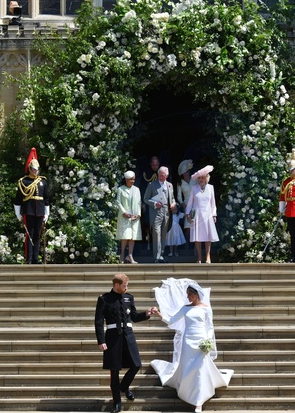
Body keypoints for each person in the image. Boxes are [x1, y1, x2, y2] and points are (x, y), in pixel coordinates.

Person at [151, 278, 233, 413]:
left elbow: (210, 327)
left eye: (189, 294)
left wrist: (208, 342)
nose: (187, 297)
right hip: (188, 342)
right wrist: (159, 314)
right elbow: (171, 321)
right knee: (189, 368)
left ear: (196, 294)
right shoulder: (185, 308)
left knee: (200, 370)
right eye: (187, 294)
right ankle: (188, 391)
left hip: (201, 342)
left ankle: (198, 401)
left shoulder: (206, 308)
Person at [94, 273, 157, 413]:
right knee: (114, 370)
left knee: (136, 365)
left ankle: (123, 387)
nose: (126, 288)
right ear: (116, 285)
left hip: (128, 336)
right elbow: (98, 322)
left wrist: (146, 314)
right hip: (112, 338)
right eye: (124, 286)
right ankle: (117, 402)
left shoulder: (129, 298)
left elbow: (134, 317)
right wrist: (101, 341)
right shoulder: (104, 299)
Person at [13, 148, 50, 264]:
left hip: (40, 211)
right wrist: (18, 213)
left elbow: (46, 199)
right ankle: (28, 258)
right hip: (28, 211)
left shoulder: (43, 182)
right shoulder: (24, 182)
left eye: (37, 169)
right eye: (34, 169)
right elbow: (18, 199)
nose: (36, 171)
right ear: (29, 169)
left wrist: (47, 213)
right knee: (29, 234)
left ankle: (35, 258)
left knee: (37, 235)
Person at [185, 166, 218, 263]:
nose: (200, 180)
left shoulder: (211, 188)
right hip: (197, 215)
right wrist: (187, 214)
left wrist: (214, 215)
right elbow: (190, 203)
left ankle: (208, 256)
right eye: (199, 178)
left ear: (206, 178)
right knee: (197, 237)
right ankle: (199, 256)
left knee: (208, 236)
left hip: (207, 215)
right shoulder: (194, 188)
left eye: (202, 178)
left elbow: (213, 203)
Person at [143, 166, 176, 263]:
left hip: (166, 212)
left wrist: (173, 203)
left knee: (164, 234)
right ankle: (156, 257)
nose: (160, 177)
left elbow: (172, 198)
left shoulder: (170, 185)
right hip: (156, 212)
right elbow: (145, 199)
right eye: (159, 175)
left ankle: (161, 255)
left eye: (163, 175)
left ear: (167, 175)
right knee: (156, 233)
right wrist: (154, 203)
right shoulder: (152, 184)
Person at [115, 171, 142, 263]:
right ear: (126, 180)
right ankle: (122, 254)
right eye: (131, 179)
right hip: (125, 216)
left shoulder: (136, 189)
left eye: (133, 179)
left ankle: (130, 255)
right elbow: (118, 202)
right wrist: (124, 212)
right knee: (125, 236)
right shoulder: (121, 189)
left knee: (132, 236)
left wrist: (138, 214)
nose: (133, 181)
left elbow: (139, 202)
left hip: (134, 216)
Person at [176, 159, 194, 244]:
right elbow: (179, 196)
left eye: (187, 172)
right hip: (187, 205)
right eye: (184, 172)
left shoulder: (194, 179)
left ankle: (195, 246)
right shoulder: (180, 183)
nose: (186, 174)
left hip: (196, 204)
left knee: (196, 225)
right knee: (188, 226)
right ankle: (187, 245)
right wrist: (182, 203)